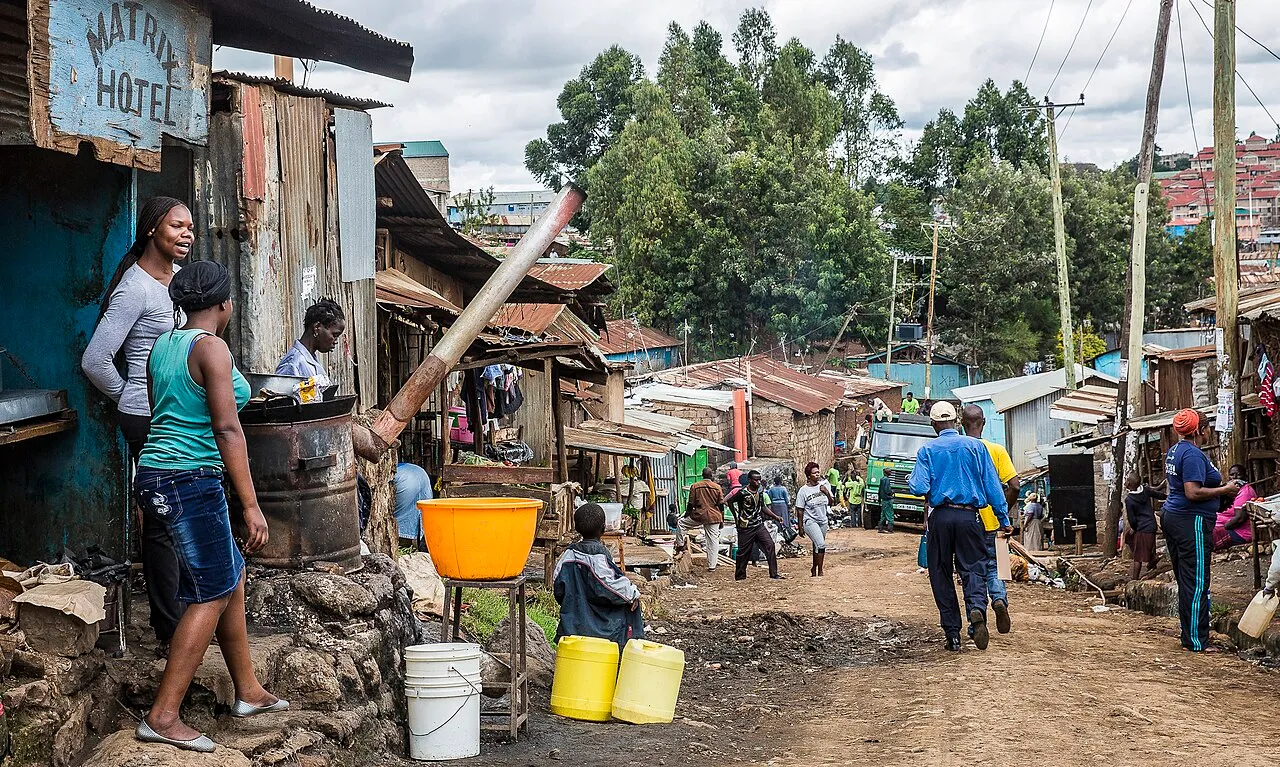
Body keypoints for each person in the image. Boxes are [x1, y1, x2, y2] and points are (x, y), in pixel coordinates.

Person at [133, 261, 285, 752]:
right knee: (212, 591)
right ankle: (163, 715)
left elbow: (165, 410)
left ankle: (248, 691)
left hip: (157, 473)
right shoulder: (213, 348)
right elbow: (225, 429)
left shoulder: (163, 345)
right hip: (189, 480)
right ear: (225, 305)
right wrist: (251, 505)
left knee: (229, 574)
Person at [81, 196, 192, 652]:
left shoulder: (178, 281)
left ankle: (182, 613)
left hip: (173, 413)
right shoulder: (136, 288)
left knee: (180, 513)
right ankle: (169, 627)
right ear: (151, 230)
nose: (186, 235)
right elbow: (95, 359)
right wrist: (131, 392)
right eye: (176, 227)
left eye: (189, 227)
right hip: (146, 417)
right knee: (162, 521)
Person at [908, 401, 1010, 652]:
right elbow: (993, 488)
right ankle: (976, 610)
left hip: (940, 518)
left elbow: (918, 487)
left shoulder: (927, 451)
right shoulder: (977, 447)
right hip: (970, 518)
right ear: (956, 421)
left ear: (934, 425)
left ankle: (952, 634)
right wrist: (1004, 519)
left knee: (941, 573)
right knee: (974, 569)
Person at [1163, 409, 1242, 652]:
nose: (1209, 433)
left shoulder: (1175, 451)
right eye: (1207, 428)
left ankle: (1190, 636)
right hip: (1191, 520)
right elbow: (1193, 492)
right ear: (1200, 430)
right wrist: (1225, 490)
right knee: (1197, 581)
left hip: (1174, 516)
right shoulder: (1193, 455)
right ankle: (1197, 641)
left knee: (1186, 579)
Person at [960, 405, 1019, 636]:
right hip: (998, 524)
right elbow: (1015, 485)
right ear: (983, 422)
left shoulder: (960, 449)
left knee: (972, 570)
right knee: (998, 567)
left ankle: (976, 615)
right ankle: (1000, 600)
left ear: (962, 424)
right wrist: (1004, 510)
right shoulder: (997, 450)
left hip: (969, 522)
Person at [553, 503, 644, 651]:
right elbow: (611, 585)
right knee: (632, 603)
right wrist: (633, 594)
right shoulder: (598, 556)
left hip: (572, 623)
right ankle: (627, 652)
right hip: (601, 627)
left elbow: (558, 590)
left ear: (576, 529)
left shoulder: (567, 555)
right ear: (603, 528)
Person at [726, 470, 785, 581]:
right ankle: (740, 576)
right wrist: (736, 517)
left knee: (770, 545)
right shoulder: (742, 492)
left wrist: (775, 517)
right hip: (746, 527)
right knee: (743, 552)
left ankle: (774, 573)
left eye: (759, 480)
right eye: (755, 480)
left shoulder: (760, 492)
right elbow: (730, 501)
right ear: (749, 480)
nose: (758, 482)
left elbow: (763, 507)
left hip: (758, 525)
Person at [275, 299, 346, 387]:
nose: (335, 341)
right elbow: (281, 399)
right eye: (334, 335)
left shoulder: (311, 360)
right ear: (317, 327)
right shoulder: (292, 364)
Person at [674, 468, 726, 571]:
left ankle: (680, 546)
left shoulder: (695, 486)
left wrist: (686, 515)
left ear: (702, 475)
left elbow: (690, 504)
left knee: (681, 524)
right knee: (712, 541)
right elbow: (721, 505)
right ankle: (712, 566)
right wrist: (722, 519)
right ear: (711, 476)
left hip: (699, 515)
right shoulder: (717, 487)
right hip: (714, 516)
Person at [795, 462, 836, 577]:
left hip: (822, 520)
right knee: (821, 544)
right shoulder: (803, 491)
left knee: (817, 546)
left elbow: (832, 503)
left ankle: (814, 568)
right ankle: (820, 570)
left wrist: (827, 493)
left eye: (818, 472)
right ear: (809, 476)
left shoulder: (824, 486)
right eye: (814, 473)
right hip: (810, 521)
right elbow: (800, 510)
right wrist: (800, 527)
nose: (817, 475)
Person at [1124, 474, 1166, 581]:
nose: (1125, 481)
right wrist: (1168, 496)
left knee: (1138, 557)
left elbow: (1132, 519)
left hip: (1142, 528)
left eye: (1127, 480)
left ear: (1129, 484)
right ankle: (1152, 559)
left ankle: (1134, 580)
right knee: (1134, 540)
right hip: (1151, 525)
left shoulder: (1129, 500)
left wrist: (1134, 528)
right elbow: (1159, 495)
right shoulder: (1145, 490)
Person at [1213, 464, 1258, 551]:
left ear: (1245, 476)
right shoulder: (1228, 490)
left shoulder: (1245, 492)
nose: (1235, 477)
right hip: (1221, 527)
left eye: (1238, 474)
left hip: (1239, 533)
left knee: (1208, 536)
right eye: (1232, 475)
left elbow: (1239, 519)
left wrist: (1222, 528)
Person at [392, 463, 433, 549]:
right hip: (422, 475)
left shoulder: (396, 469)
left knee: (393, 517)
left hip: (403, 479)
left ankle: (400, 545)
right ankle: (420, 547)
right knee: (422, 514)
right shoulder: (410, 467)